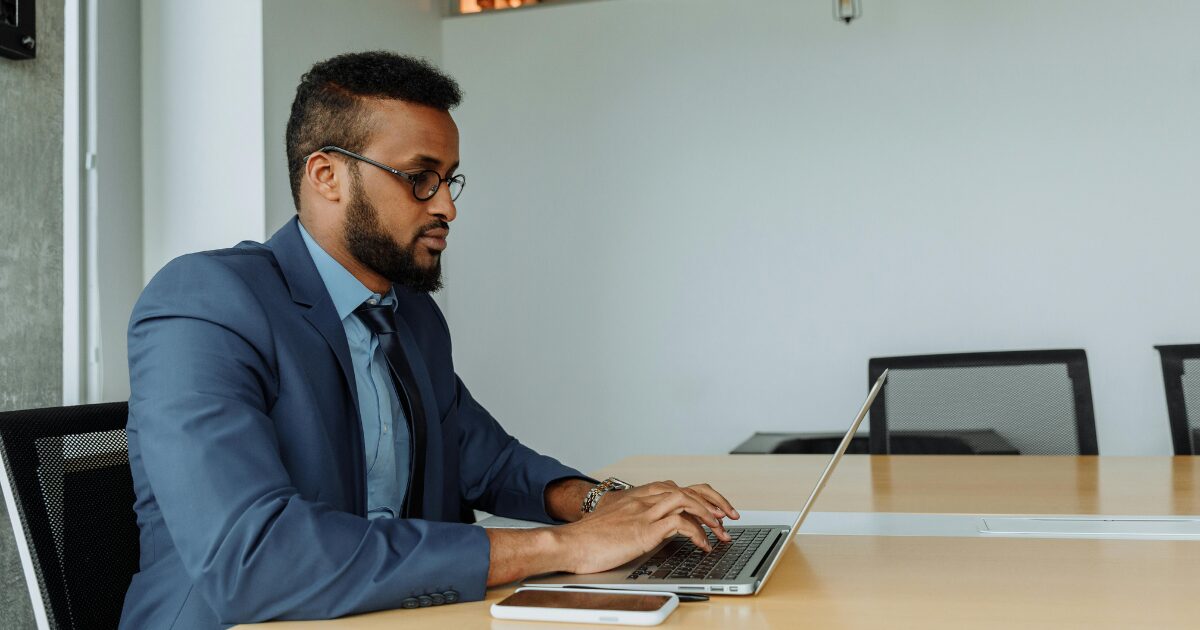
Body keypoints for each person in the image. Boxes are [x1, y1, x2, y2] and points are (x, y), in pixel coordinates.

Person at [121, 51, 739, 629]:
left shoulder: (408, 312)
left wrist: (608, 505)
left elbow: (487, 461)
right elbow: (254, 560)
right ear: (327, 175)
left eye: (449, 180)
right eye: (420, 177)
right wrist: (566, 546)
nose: (446, 206)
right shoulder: (205, 302)